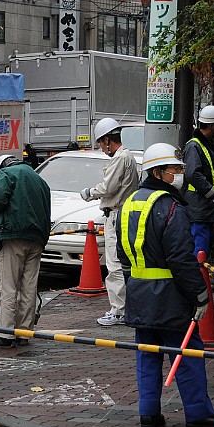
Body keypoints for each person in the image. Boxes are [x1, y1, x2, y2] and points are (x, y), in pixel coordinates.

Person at [117, 142, 214, 427]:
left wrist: (134, 285)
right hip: (171, 295)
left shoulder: (129, 204)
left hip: (139, 292)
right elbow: (181, 260)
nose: (180, 174)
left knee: (147, 353)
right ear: (159, 172)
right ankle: (199, 413)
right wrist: (200, 295)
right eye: (176, 169)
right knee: (187, 352)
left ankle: (148, 413)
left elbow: (122, 254)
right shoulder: (170, 207)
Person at [0, 153, 51, 348]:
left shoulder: (6, 174)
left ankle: (5, 334)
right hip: (36, 239)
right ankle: (24, 332)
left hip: (12, 236)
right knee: (29, 288)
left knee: (8, 286)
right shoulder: (39, 180)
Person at [80, 117, 139, 326]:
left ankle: (118, 311)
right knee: (123, 264)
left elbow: (108, 188)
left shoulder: (120, 158)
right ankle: (125, 309)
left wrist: (90, 192)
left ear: (107, 139)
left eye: (100, 144)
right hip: (121, 215)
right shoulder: (128, 157)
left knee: (114, 266)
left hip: (116, 215)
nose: (102, 149)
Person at [183, 104, 214, 258]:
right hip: (199, 210)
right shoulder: (194, 146)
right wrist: (213, 194)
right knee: (200, 252)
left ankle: (202, 281)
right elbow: (193, 174)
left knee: (204, 251)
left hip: (205, 210)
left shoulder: (206, 146)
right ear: (211, 126)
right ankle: (198, 281)